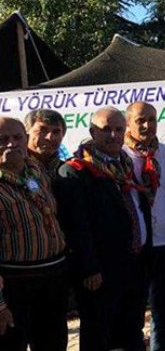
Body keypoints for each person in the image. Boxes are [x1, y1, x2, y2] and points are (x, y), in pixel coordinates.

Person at [56, 107, 150, 351]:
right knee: (99, 334)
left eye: (119, 129)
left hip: (133, 264)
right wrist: (89, 269)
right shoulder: (75, 171)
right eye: (105, 129)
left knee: (131, 331)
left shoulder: (125, 164)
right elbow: (77, 227)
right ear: (91, 132)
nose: (113, 135)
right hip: (100, 273)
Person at [0, 116, 69, 351]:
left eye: (17, 137)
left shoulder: (35, 169)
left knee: (54, 343)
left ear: (26, 139)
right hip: (15, 286)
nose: (11, 144)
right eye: (3, 139)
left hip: (53, 278)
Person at [123, 102, 165, 351]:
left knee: (164, 309)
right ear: (128, 123)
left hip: (164, 242)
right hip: (134, 246)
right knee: (132, 310)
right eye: (140, 120)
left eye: (152, 120)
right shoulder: (120, 155)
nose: (147, 126)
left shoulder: (164, 151)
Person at [24, 109, 67, 178]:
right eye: (42, 131)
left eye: (56, 132)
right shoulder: (15, 169)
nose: (49, 137)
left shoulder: (68, 173)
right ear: (26, 133)